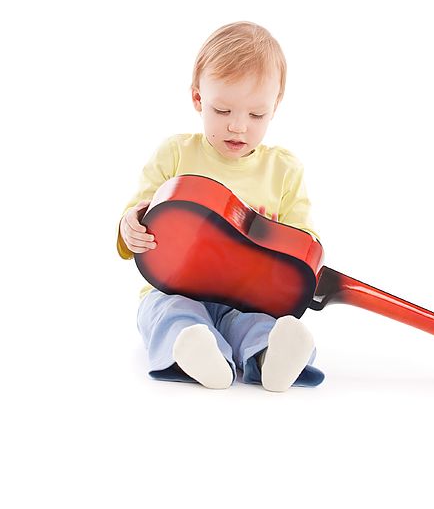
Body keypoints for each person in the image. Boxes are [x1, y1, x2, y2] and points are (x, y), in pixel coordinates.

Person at [116, 21, 324, 392]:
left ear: (275, 106)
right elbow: (138, 214)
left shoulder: (285, 170)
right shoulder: (175, 154)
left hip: (247, 297)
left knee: (262, 323)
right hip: (174, 286)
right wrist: (130, 225)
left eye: (256, 115)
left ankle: (272, 356)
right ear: (198, 98)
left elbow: (304, 243)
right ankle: (194, 351)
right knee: (169, 312)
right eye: (223, 110)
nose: (238, 127)